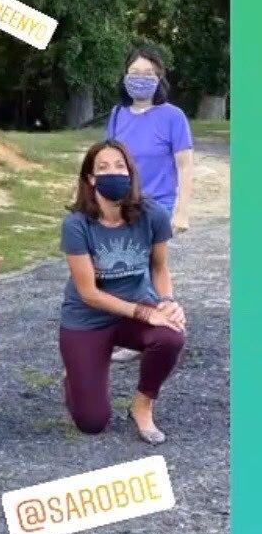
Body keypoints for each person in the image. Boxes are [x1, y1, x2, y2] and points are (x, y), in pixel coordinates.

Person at [58, 140, 186, 444]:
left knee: (170, 334)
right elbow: (88, 293)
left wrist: (166, 303)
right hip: (87, 318)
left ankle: (142, 405)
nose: (112, 172)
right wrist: (145, 312)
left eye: (119, 166)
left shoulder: (152, 214)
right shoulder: (77, 225)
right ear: (90, 178)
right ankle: (76, 378)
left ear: (130, 172)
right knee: (92, 423)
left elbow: (159, 268)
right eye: (102, 168)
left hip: (133, 311)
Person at [104, 46, 195, 363]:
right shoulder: (118, 115)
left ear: (159, 79)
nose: (140, 79)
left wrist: (182, 212)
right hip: (122, 203)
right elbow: (108, 160)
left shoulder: (173, 116)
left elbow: (184, 165)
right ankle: (131, 327)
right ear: (125, 76)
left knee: (149, 267)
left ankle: (155, 327)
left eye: (148, 74)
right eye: (134, 73)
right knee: (125, 266)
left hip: (157, 206)